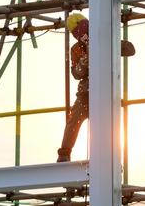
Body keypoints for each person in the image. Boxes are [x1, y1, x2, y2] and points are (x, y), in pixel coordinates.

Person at [57, 13, 135, 162]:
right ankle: (64, 154)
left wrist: (114, 44)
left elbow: (130, 50)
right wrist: (87, 59)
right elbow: (76, 73)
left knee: (105, 125)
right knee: (74, 121)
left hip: (104, 92)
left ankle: (107, 155)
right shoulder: (76, 49)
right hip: (85, 94)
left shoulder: (104, 42)